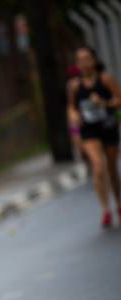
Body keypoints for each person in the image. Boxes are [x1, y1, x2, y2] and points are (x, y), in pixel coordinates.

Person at [66, 46, 121, 228]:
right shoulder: (74, 86)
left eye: (87, 59)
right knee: (98, 167)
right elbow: (71, 107)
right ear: (77, 64)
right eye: (80, 60)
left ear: (94, 60)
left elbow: (119, 99)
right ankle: (106, 209)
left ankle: (118, 204)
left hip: (108, 126)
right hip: (88, 130)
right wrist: (74, 117)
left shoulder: (105, 79)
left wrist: (104, 102)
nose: (84, 63)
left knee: (112, 170)